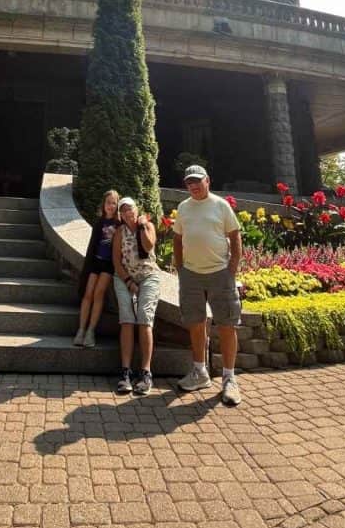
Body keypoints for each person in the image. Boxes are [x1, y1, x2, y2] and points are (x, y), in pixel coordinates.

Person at [173, 164, 243, 405]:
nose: (193, 186)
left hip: (220, 273)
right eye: (189, 182)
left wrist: (231, 269)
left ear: (207, 181)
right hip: (191, 274)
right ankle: (200, 372)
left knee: (227, 325)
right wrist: (180, 268)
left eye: (197, 181)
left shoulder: (221, 205)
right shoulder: (183, 207)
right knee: (195, 322)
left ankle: (229, 378)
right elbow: (177, 239)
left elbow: (235, 236)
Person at [112, 196, 162, 395]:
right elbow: (116, 261)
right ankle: (126, 372)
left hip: (148, 276)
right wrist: (128, 282)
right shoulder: (119, 232)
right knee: (126, 319)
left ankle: (146, 372)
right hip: (125, 277)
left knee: (144, 318)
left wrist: (141, 227)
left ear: (136, 209)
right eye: (123, 210)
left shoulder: (148, 226)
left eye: (130, 209)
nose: (127, 213)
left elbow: (148, 246)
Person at [74, 189, 120, 347]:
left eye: (114, 203)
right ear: (103, 204)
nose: (111, 206)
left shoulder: (118, 224)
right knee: (88, 294)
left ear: (117, 205)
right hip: (95, 262)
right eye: (108, 202)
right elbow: (92, 245)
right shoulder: (99, 222)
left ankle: (91, 331)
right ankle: (81, 329)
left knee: (98, 294)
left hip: (108, 264)